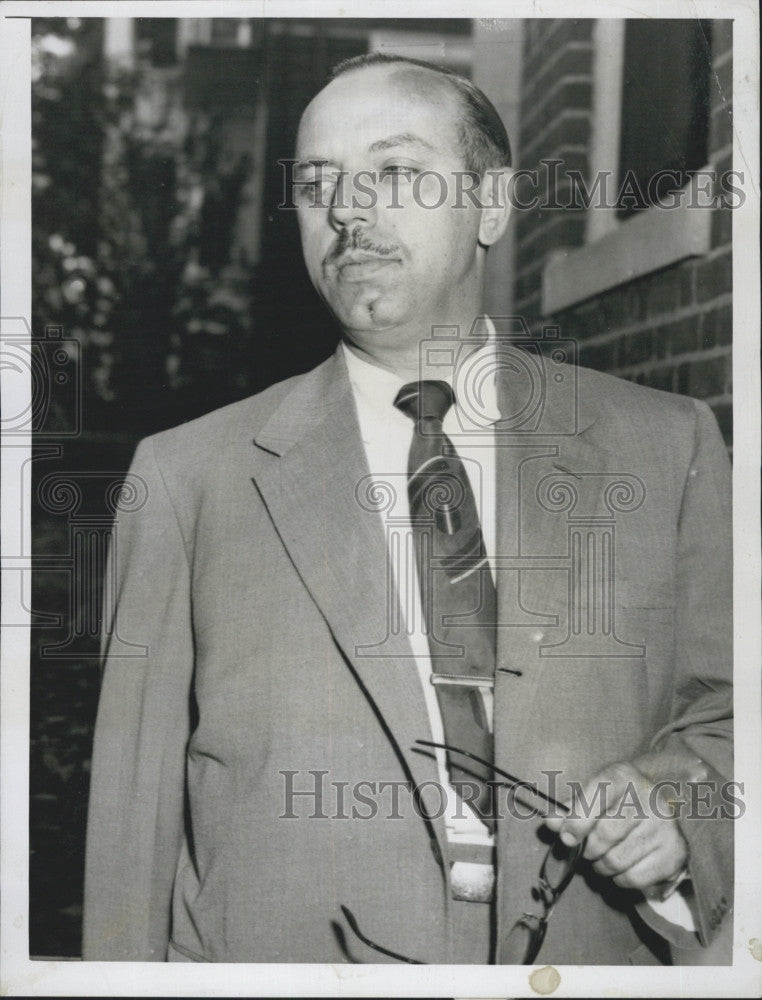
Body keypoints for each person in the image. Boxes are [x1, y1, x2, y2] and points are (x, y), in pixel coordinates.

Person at [83, 53, 733, 965]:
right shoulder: (187, 478)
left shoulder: (668, 450)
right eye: (319, 183)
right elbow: (130, 829)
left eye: (394, 172)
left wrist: (677, 807)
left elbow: (733, 718)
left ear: (492, 204)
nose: (348, 209)